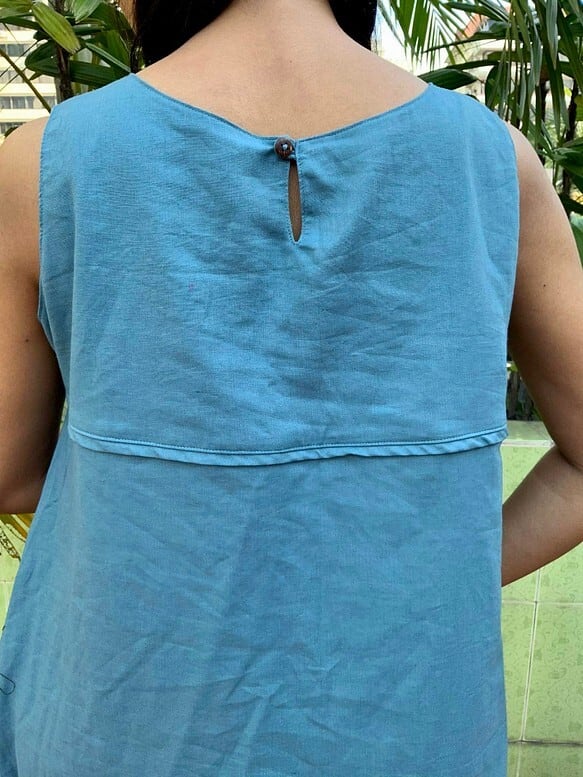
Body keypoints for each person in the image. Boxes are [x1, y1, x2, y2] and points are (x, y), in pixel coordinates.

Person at [0, 1, 582, 775]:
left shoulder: (47, 158)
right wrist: (431, 572)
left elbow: (10, 471)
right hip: (401, 719)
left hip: (123, 713)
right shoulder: (493, 160)